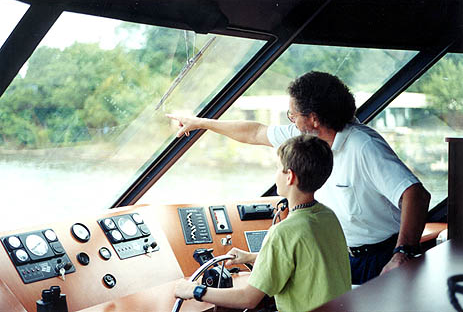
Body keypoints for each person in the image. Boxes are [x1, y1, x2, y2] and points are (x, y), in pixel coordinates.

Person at [167, 71, 431, 284]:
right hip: (341, 254)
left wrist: (401, 254)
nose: (290, 120)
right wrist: (200, 123)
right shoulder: (306, 139)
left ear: (313, 119)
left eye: (293, 115)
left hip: (381, 256)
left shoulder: (363, 146)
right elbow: (255, 132)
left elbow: (415, 194)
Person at [174, 135, 351, 311]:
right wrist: (251, 257)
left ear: (289, 176)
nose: (276, 174)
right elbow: (304, 261)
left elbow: (248, 299)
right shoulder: (327, 216)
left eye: (278, 168)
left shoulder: (283, 232)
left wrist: (193, 290)